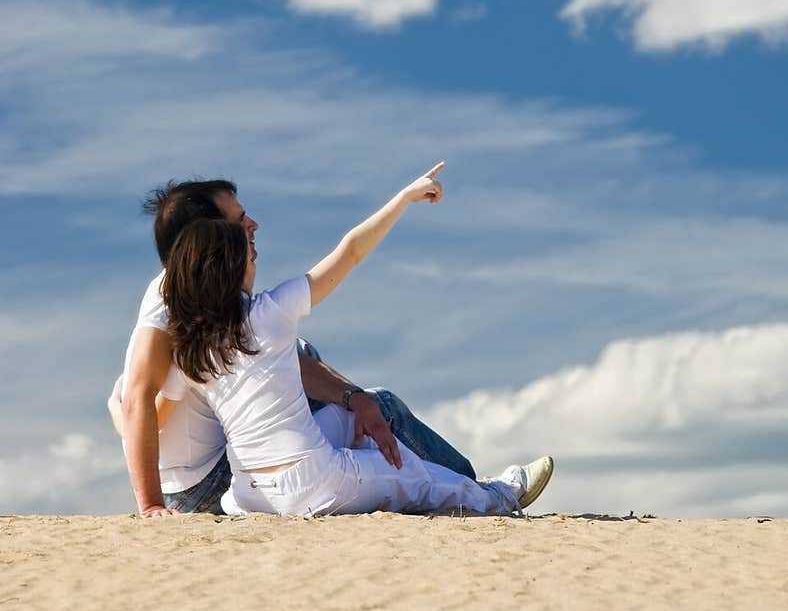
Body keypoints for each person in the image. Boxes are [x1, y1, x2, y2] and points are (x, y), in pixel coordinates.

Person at [160, 163, 554, 518]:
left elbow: (148, 407)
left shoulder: (190, 347)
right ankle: (501, 496)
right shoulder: (272, 313)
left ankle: (391, 463)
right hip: (313, 485)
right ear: (232, 269)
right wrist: (403, 198)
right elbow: (350, 252)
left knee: (357, 414)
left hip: (246, 495)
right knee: (413, 476)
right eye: (249, 256)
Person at [113, 176, 478, 517]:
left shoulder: (202, 292)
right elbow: (139, 401)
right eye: (240, 219)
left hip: (231, 475)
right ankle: (470, 491)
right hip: (208, 482)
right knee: (378, 406)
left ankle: (435, 487)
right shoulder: (166, 303)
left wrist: (352, 396)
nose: (253, 225)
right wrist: (150, 505)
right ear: (209, 235)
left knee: (325, 378)